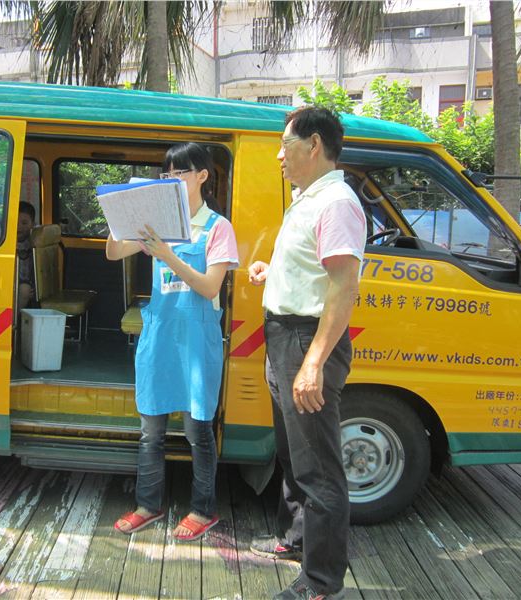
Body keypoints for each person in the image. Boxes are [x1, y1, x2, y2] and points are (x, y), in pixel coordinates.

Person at [248, 107, 365, 600]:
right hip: (285, 337)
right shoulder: (309, 199)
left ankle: (320, 581)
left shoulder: (336, 203)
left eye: (285, 145)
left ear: (314, 145)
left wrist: (313, 362)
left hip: (306, 341)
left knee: (318, 467)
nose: (279, 156)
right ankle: (297, 539)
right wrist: (271, 270)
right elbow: (312, 269)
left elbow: (342, 285)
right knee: (293, 455)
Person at [106, 143, 238, 541]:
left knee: (199, 433)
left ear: (202, 176)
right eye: (168, 173)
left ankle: (203, 510)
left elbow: (209, 286)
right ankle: (148, 505)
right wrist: (123, 217)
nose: (173, 179)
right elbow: (114, 253)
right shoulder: (158, 223)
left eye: (181, 172)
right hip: (161, 336)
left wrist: (166, 254)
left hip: (196, 341)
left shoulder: (218, 227)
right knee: (151, 432)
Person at [16, 201, 37, 310]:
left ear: (32, 224)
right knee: (24, 290)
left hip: (29, 284)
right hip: (12, 283)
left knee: (25, 289)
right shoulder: (4, 241)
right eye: (15, 221)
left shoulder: (35, 240)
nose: (19, 227)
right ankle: (15, 317)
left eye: (24, 223)